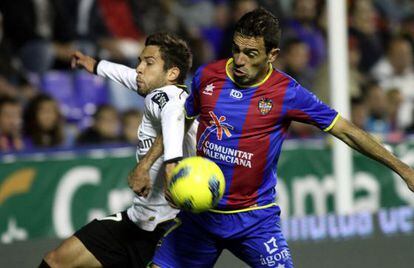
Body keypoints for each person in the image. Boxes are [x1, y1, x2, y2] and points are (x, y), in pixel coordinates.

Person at [149, 8, 414, 268]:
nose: (239, 60)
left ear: (272, 55)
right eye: (236, 49)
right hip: (200, 218)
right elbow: (180, 119)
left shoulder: (287, 93)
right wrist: (154, 164)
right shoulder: (208, 76)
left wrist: (402, 169)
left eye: (251, 53)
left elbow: (347, 131)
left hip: (255, 222)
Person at [40, 32, 196, 268]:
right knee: (57, 261)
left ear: (172, 73)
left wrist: (161, 166)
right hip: (138, 221)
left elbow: (174, 118)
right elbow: (128, 77)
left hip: (169, 229)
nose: (139, 68)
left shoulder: (170, 98)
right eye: (140, 61)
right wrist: (95, 65)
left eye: (148, 63)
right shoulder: (160, 90)